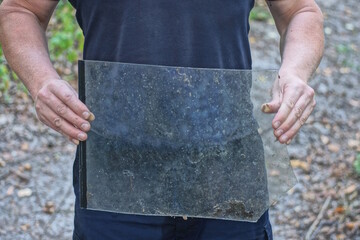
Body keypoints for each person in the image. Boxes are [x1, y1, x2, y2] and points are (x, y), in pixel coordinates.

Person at [0, 0, 324, 239]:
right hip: (115, 179)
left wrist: (295, 73)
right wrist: (40, 79)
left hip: (228, 174)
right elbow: (20, 9)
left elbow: (300, 12)